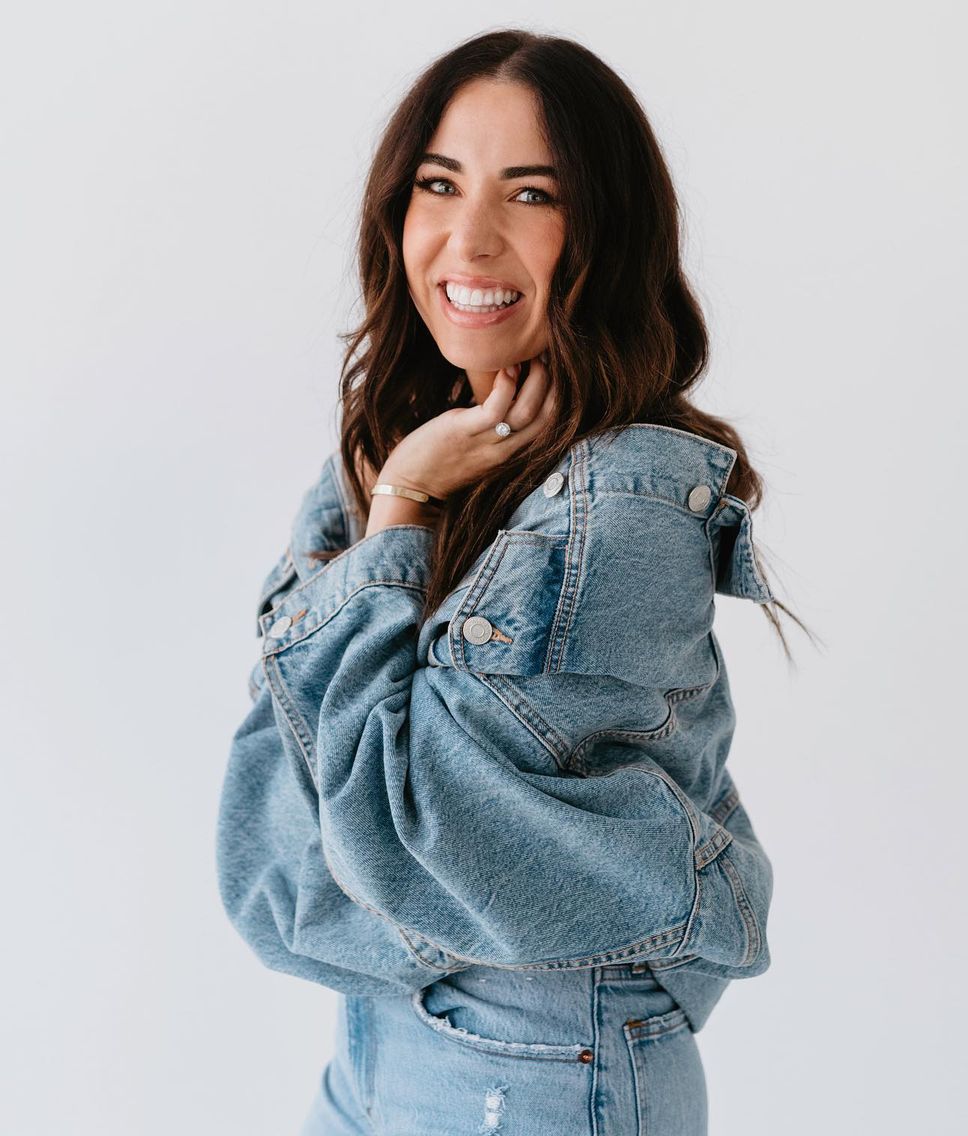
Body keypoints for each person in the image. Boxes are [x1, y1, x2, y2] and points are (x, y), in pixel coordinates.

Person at [216, 28, 807, 1135]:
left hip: (536, 1058)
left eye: (532, 194)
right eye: (439, 184)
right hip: (383, 1036)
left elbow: (388, 831)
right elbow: (275, 831)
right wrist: (397, 497)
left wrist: (399, 514)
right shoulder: (413, 445)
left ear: (607, 232)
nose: (470, 237)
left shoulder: (618, 506)